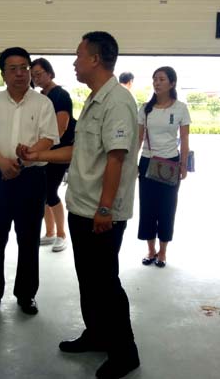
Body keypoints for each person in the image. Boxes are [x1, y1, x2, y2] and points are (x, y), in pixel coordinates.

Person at [18, 31, 140, 378]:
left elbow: (116, 158)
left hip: (101, 213)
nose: (74, 62)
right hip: (82, 207)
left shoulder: (117, 102)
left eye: (78, 55)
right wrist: (37, 156)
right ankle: (97, 334)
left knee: (105, 282)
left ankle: (125, 352)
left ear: (95, 59)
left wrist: (105, 209)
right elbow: (80, 150)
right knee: (89, 279)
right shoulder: (94, 99)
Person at [0, 47, 59, 316]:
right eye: (13, 69)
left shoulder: (42, 103)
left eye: (24, 68)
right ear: (3, 74)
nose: (20, 73)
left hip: (31, 179)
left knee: (29, 239)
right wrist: (2, 161)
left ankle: (26, 294)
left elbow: (48, 138)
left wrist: (22, 161)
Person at [137, 66, 190, 268]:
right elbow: (138, 138)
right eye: (154, 79)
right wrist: (132, 163)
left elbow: (184, 138)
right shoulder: (145, 108)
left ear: (172, 83)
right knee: (147, 207)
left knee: (167, 208)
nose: (156, 83)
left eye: (161, 79)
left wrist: (183, 164)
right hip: (148, 161)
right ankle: (151, 250)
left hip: (170, 163)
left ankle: (163, 251)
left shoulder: (180, 108)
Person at [30, 57, 76, 252]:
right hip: (43, 152)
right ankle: (49, 233)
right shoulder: (41, 96)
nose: (36, 78)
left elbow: (61, 127)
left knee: (51, 191)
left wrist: (44, 149)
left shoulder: (60, 95)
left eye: (39, 74)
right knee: (42, 193)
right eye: (33, 76)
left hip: (59, 152)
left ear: (49, 73)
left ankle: (61, 235)